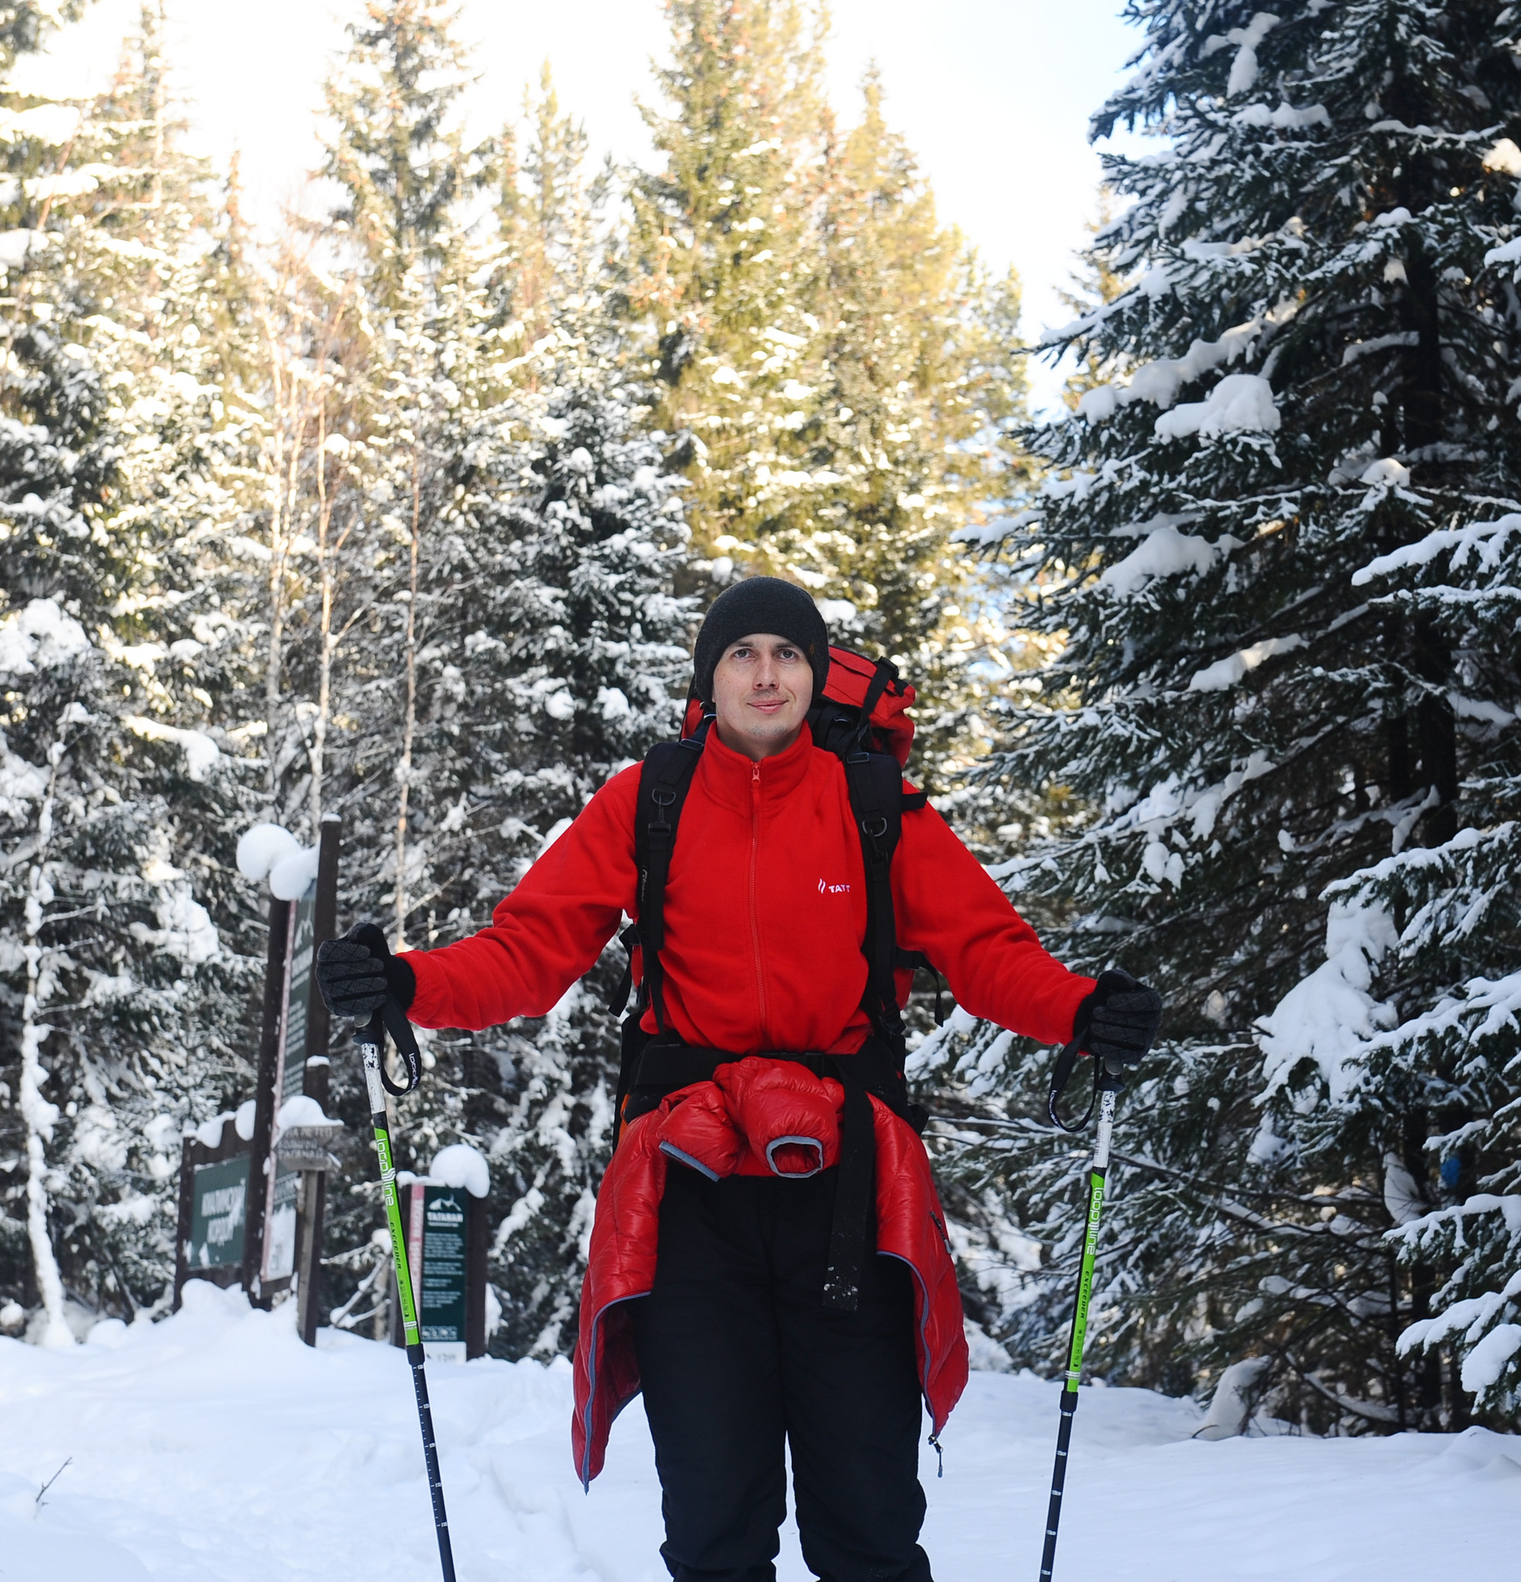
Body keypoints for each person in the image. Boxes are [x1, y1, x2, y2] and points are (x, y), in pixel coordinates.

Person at [316, 576, 1161, 1582]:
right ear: (708, 678)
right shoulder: (649, 802)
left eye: (788, 654)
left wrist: (1077, 1009)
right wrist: (407, 983)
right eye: (742, 654)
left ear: (814, 675)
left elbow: (986, 948)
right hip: (689, 1198)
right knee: (715, 1530)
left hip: (846, 1199)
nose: (767, 674)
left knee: (869, 1529)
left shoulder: (873, 805)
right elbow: (529, 951)